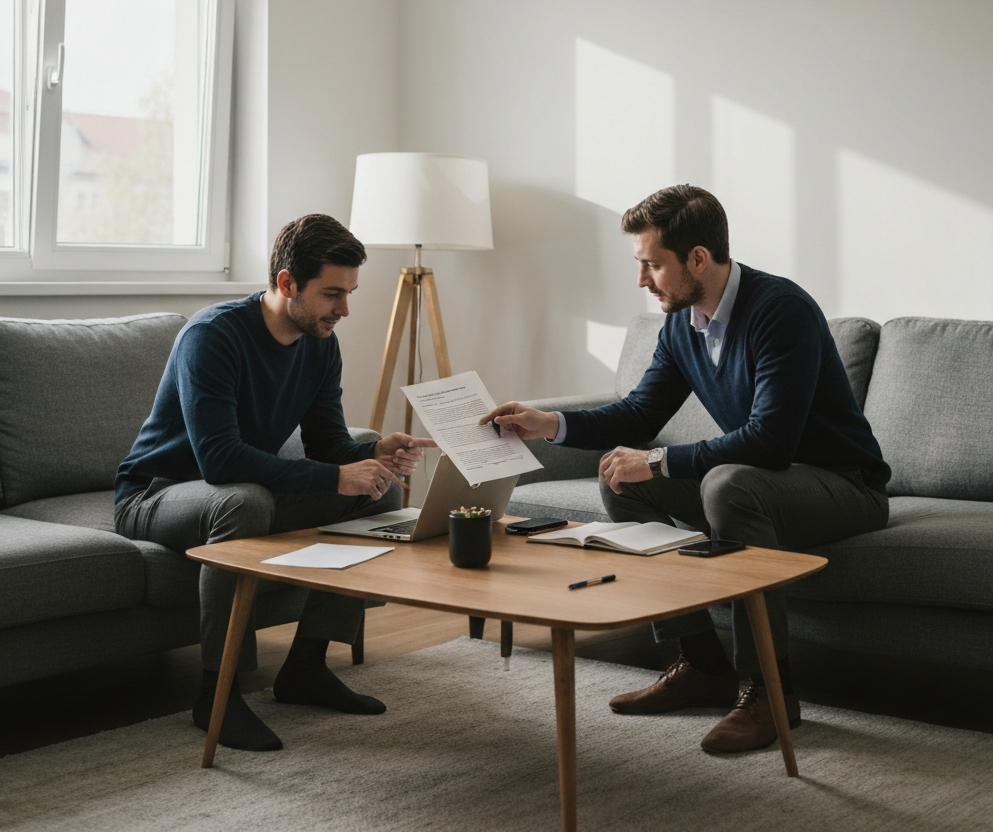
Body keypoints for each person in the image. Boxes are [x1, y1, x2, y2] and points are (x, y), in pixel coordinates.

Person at [481, 185, 890, 754]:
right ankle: (701, 664)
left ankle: (770, 692)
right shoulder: (681, 324)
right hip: (764, 486)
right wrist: (548, 423)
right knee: (618, 475)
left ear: (698, 257)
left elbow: (770, 443)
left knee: (727, 481)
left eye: (652, 264)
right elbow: (639, 412)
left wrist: (658, 460)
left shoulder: (781, 310)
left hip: (844, 486)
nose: (642, 280)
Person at [115, 214, 434, 752]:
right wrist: (337, 476)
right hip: (156, 492)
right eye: (333, 293)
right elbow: (218, 460)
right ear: (287, 283)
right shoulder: (212, 337)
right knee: (243, 502)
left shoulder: (319, 343)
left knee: (380, 493)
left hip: (235, 493)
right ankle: (218, 694)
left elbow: (329, 445)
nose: (345, 310)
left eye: (350, 293)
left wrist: (373, 453)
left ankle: (305, 667)